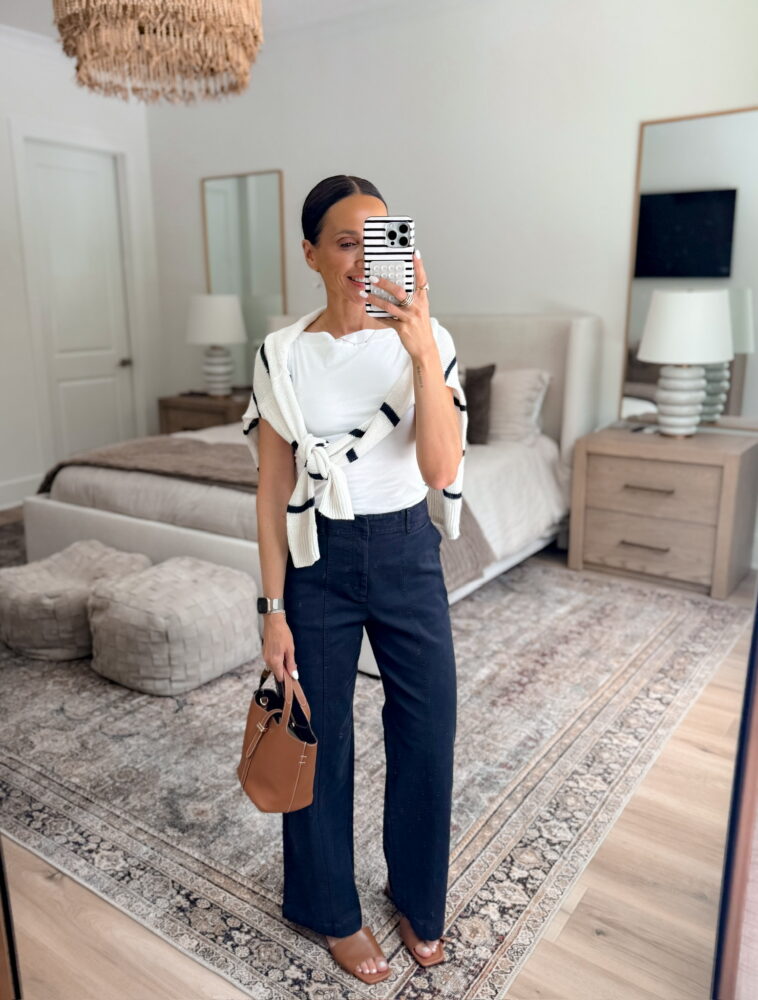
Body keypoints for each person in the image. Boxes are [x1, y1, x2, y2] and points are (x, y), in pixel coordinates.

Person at [247, 174, 465, 985]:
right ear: (310, 252)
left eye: (380, 241)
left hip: (408, 554)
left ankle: (416, 895)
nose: (363, 257)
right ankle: (327, 909)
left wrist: (416, 348)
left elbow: (442, 468)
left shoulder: (430, 340)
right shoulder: (283, 354)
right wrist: (272, 609)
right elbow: (271, 490)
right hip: (319, 561)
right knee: (319, 736)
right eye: (345, 241)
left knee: (427, 729)